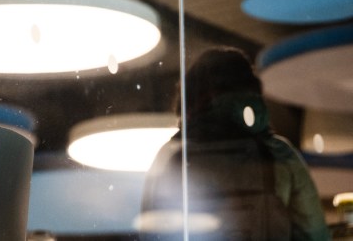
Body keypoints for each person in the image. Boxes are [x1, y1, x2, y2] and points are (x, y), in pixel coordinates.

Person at [140, 47, 329, 240]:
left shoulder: (171, 156)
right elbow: (314, 235)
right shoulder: (279, 153)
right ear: (252, 91)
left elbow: (151, 233)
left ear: (189, 99)